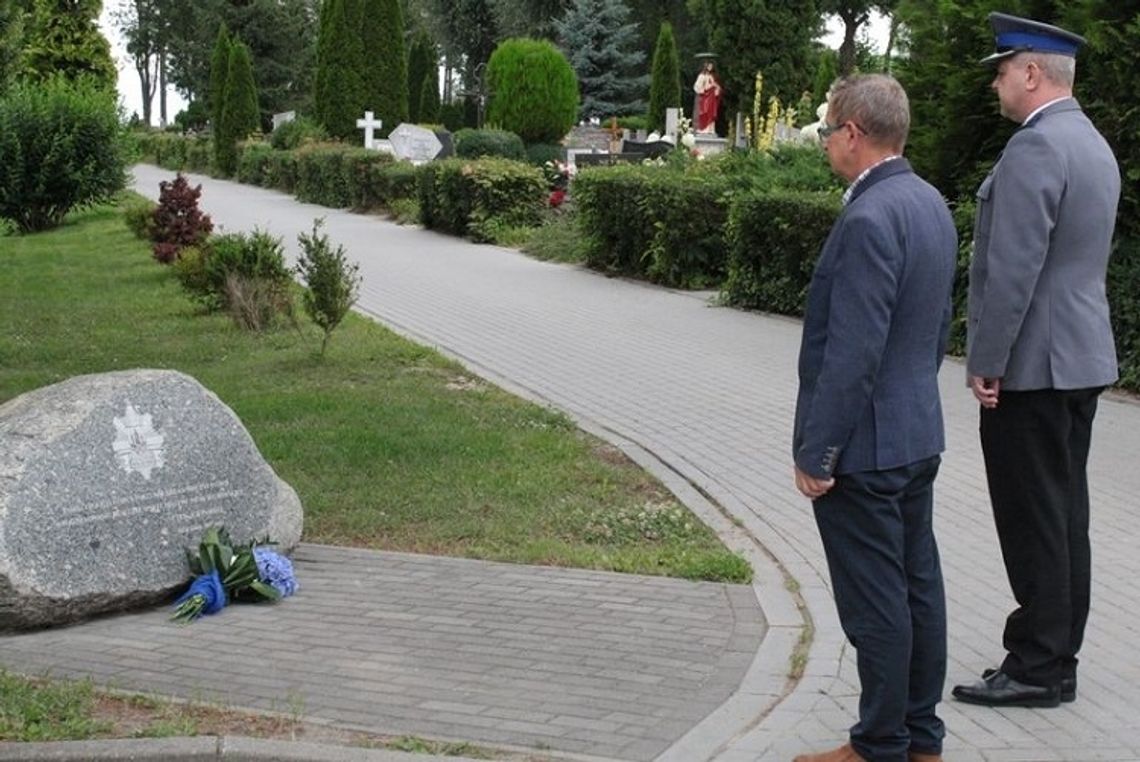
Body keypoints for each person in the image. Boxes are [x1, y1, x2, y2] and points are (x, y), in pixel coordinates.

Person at [952, 12, 1120, 709]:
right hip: (1077, 359)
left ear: (1030, 72)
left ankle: (1037, 666)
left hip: (1032, 365)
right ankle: (1056, 657)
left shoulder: (1035, 149)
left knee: (1031, 519)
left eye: (1001, 69)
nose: (995, 83)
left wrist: (986, 361)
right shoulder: (1090, 143)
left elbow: (1014, 268)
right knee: (1062, 515)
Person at [792, 74, 957, 762]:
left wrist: (817, 452)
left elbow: (852, 353)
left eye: (830, 130)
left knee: (876, 603)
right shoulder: (929, 203)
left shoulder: (868, 216)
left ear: (854, 133)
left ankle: (879, 742)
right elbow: (937, 324)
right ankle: (921, 735)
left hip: (864, 446)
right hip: (917, 432)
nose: (827, 142)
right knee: (919, 588)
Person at [693, 61, 721, 134]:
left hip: (712, 98)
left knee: (711, 113)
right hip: (705, 97)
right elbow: (698, 86)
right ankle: (703, 128)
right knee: (704, 112)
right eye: (709, 66)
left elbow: (717, 87)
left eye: (711, 66)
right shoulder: (702, 76)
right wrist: (704, 89)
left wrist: (717, 89)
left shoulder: (712, 76)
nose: (710, 68)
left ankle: (710, 129)